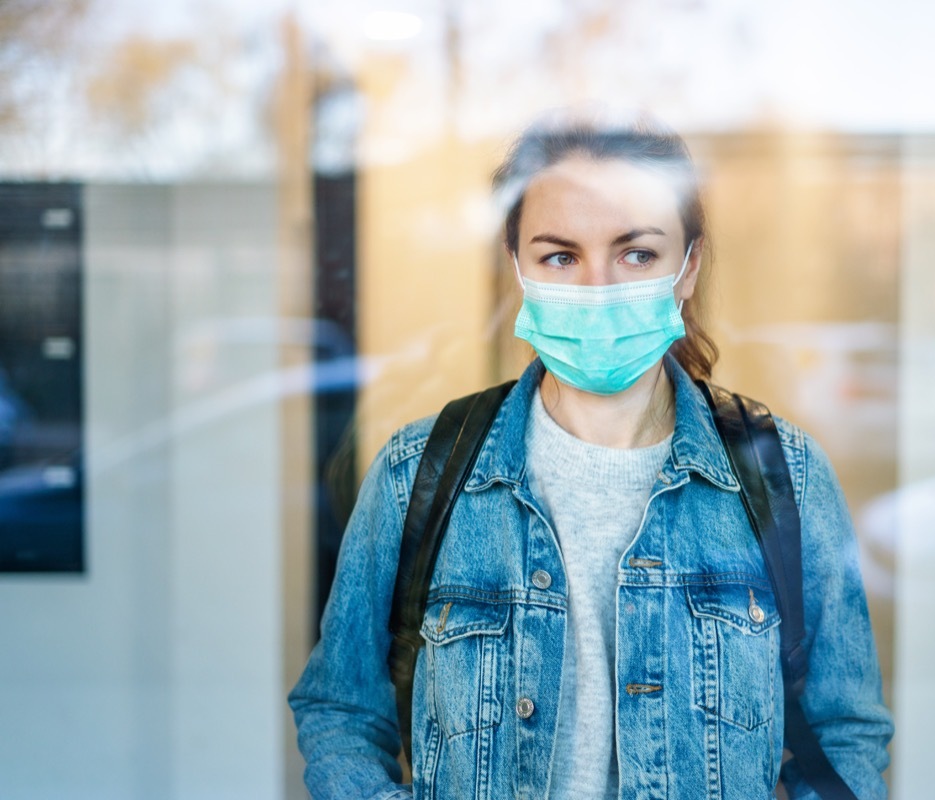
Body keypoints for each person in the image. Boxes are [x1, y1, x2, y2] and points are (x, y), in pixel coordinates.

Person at [289, 111, 893, 799]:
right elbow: (341, 711)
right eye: (561, 256)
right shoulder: (415, 476)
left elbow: (844, 735)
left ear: (688, 268)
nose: (599, 286)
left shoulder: (787, 476)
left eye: (637, 254)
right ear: (517, 265)